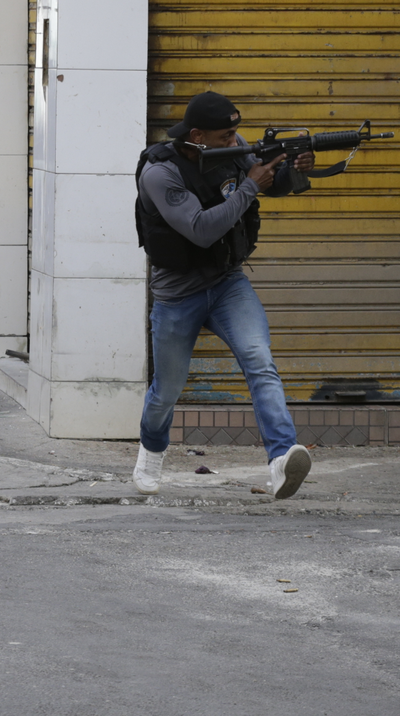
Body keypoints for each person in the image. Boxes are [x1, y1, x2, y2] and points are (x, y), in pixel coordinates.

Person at [132, 90, 316, 500]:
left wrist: (296, 169)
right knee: (168, 388)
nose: (237, 142)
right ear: (197, 135)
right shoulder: (161, 173)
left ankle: (282, 459)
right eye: (227, 135)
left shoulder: (231, 151)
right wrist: (250, 186)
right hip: (177, 293)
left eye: (236, 133)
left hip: (227, 282)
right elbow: (200, 228)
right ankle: (151, 450)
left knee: (259, 360)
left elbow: (275, 184)